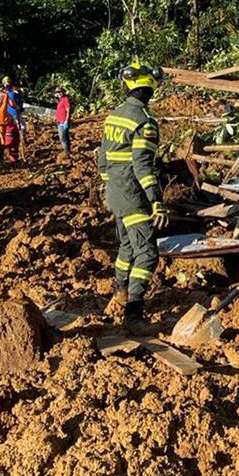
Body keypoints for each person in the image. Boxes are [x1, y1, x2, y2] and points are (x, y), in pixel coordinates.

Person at [96, 61, 168, 328]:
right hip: (133, 195)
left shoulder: (115, 115)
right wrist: (156, 200)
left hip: (114, 193)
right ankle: (134, 312)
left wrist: (111, 187)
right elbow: (143, 166)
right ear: (150, 89)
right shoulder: (144, 122)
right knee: (147, 253)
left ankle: (119, 293)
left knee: (126, 246)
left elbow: (102, 160)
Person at [54, 87, 71, 155]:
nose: (59, 93)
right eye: (57, 92)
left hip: (63, 122)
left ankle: (66, 152)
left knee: (63, 138)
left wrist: (66, 121)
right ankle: (67, 150)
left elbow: (68, 110)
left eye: (60, 92)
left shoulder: (65, 99)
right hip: (59, 121)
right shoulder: (60, 100)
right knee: (65, 137)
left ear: (63, 92)